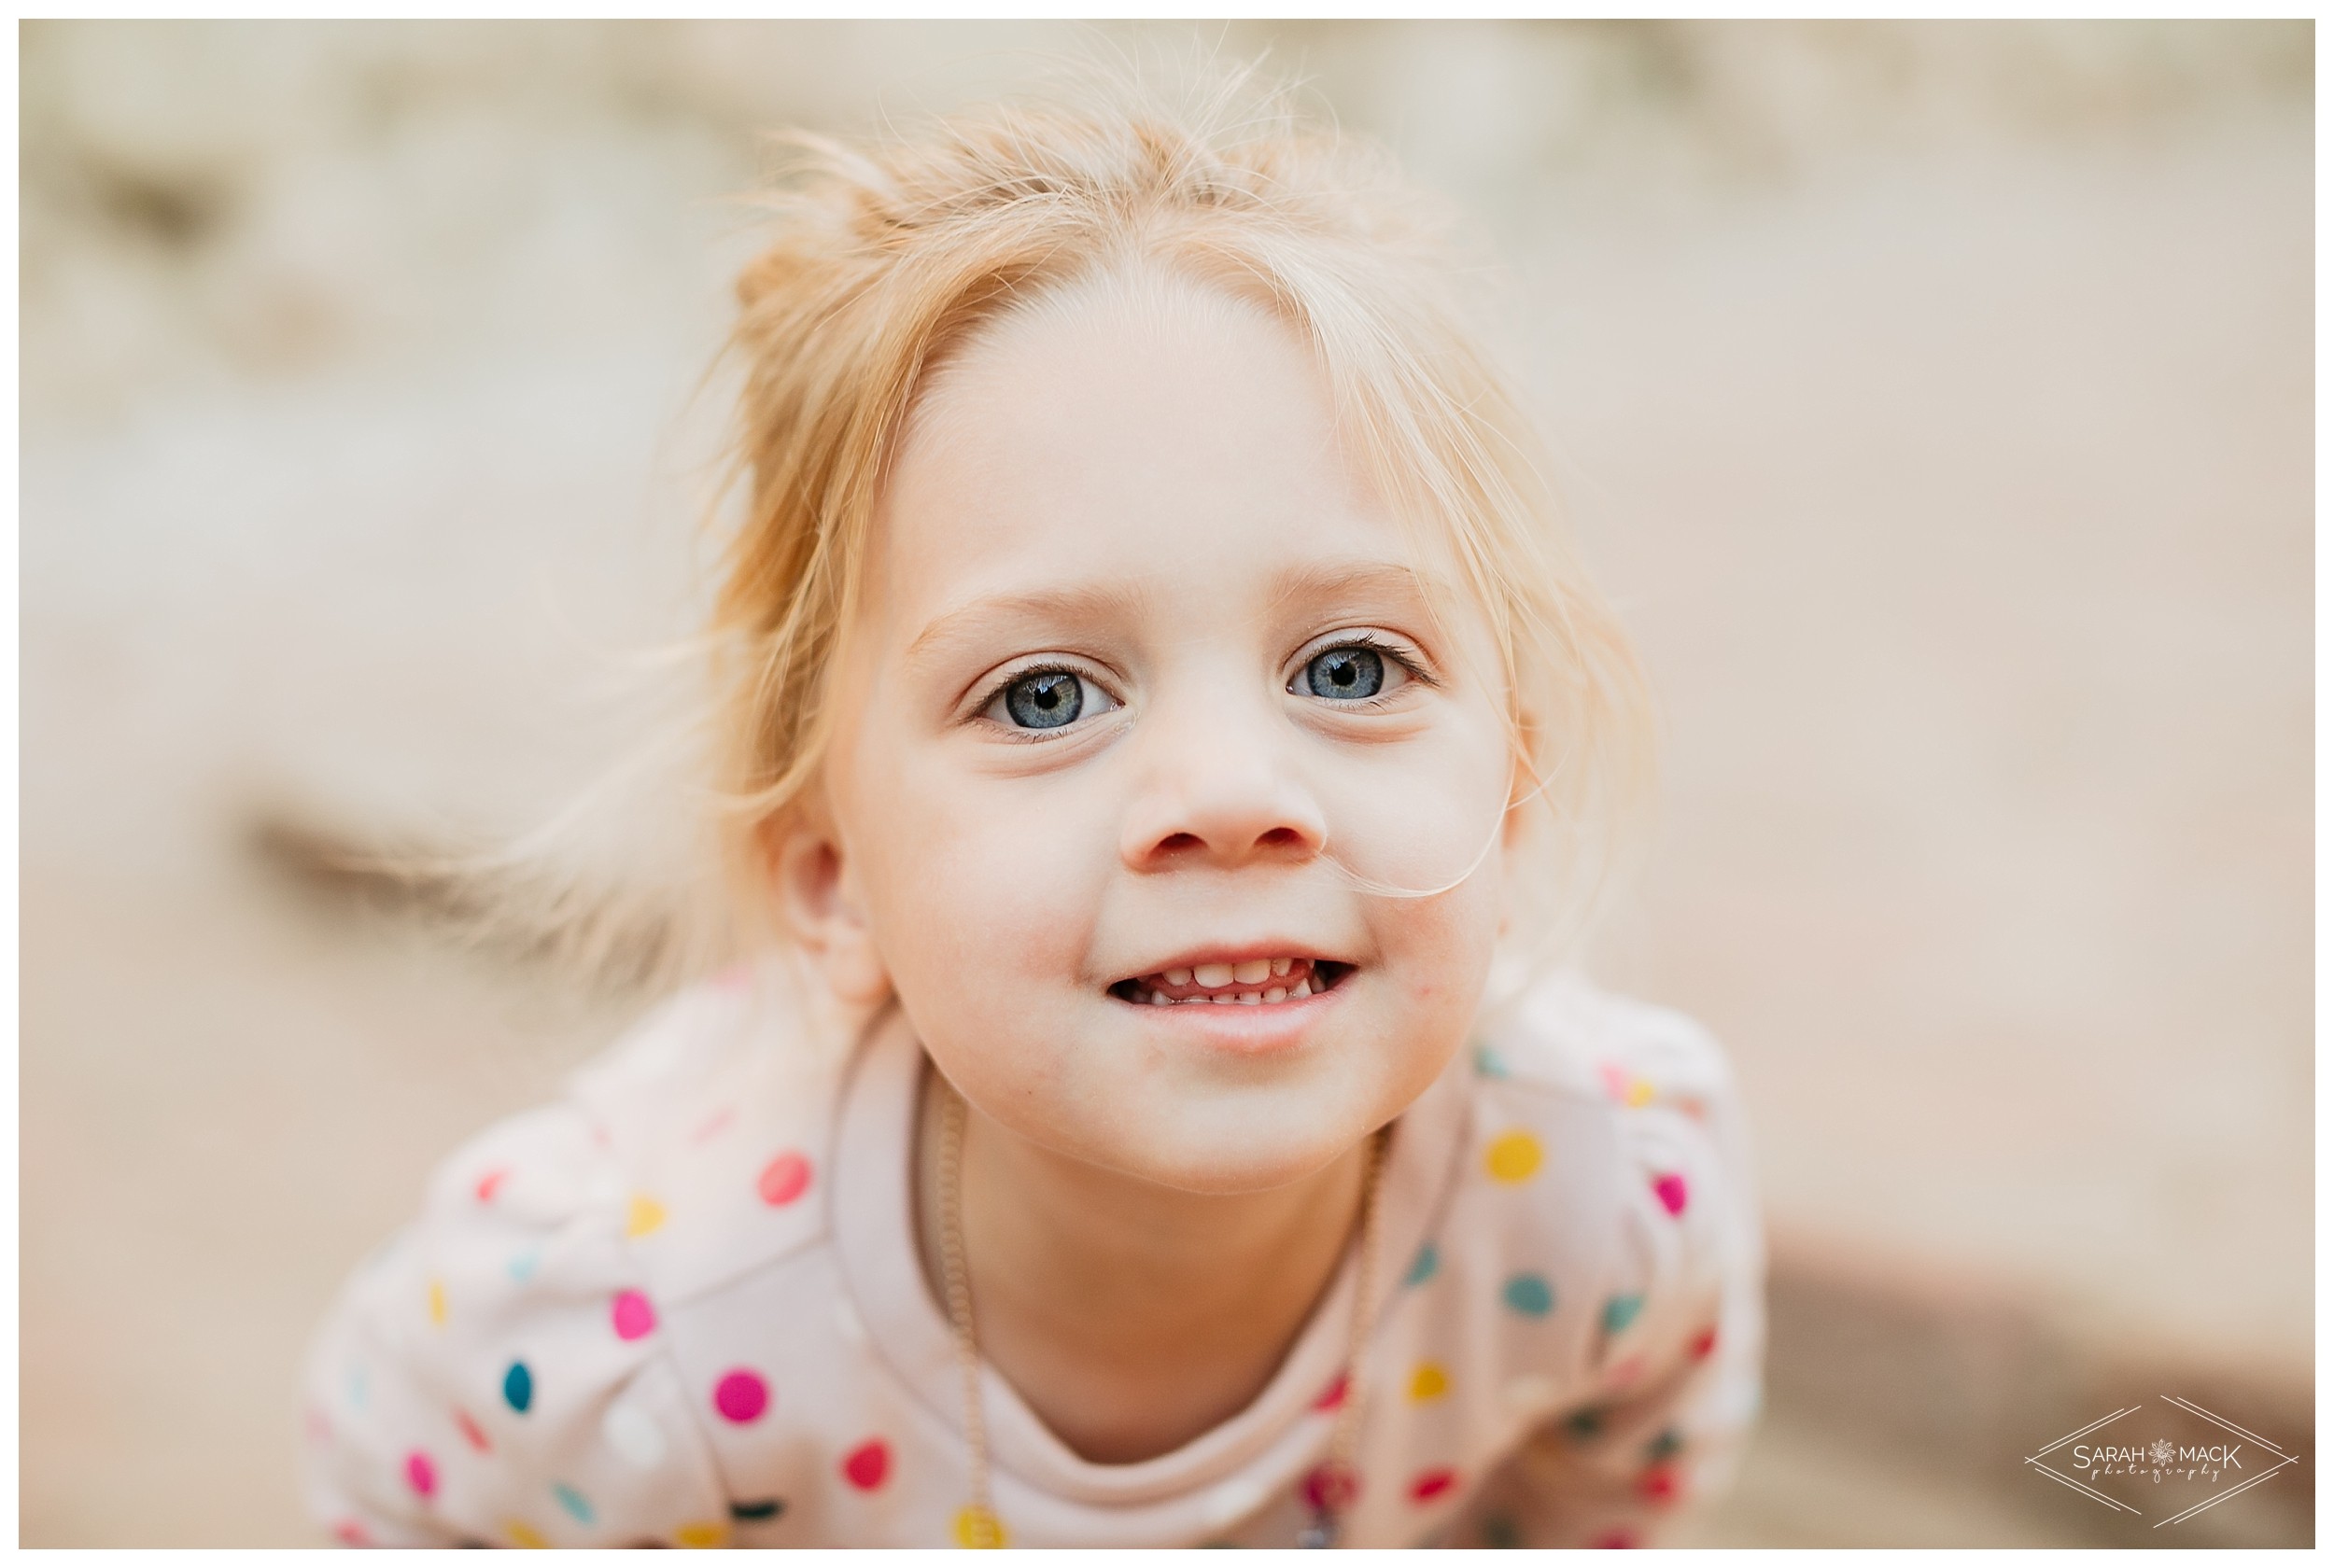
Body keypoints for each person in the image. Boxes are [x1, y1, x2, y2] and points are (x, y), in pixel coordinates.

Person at [300, 67, 1765, 1549]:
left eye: (1349, 664)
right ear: (832, 879)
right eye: (1045, 697)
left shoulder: (1604, 1198)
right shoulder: (631, 1336)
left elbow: (1603, 1496)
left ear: (1510, 793)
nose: (1233, 798)